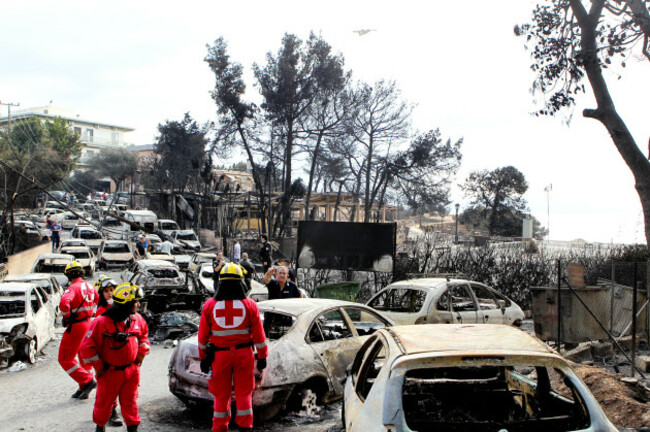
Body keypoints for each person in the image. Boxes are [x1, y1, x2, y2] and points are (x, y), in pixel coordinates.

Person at [198, 263, 268, 432]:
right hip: (244, 355)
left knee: (221, 396)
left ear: (220, 282)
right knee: (244, 394)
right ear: (241, 282)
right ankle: (245, 427)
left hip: (219, 357)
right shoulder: (250, 305)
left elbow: (202, 338)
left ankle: (220, 428)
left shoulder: (209, 305)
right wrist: (262, 356)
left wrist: (203, 358)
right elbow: (259, 335)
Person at [81, 282, 149, 432]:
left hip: (132, 372)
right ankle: (100, 427)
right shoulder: (101, 322)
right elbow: (86, 347)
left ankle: (133, 428)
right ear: (126, 303)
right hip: (109, 372)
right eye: (135, 301)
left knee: (130, 402)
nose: (138, 304)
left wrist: (141, 352)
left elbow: (144, 336)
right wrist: (98, 366)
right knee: (104, 403)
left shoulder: (136, 319)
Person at [58, 261, 97, 400]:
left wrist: (67, 316)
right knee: (83, 357)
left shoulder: (72, 288)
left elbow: (63, 304)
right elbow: (100, 301)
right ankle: (83, 386)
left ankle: (87, 381)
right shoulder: (90, 286)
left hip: (76, 326)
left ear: (69, 275)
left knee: (65, 358)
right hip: (89, 324)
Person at [93, 276, 123, 427]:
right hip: (105, 354)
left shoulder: (121, 308)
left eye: (112, 290)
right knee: (105, 386)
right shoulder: (100, 311)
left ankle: (111, 410)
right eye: (106, 291)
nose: (110, 294)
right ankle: (109, 413)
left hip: (118, 353)